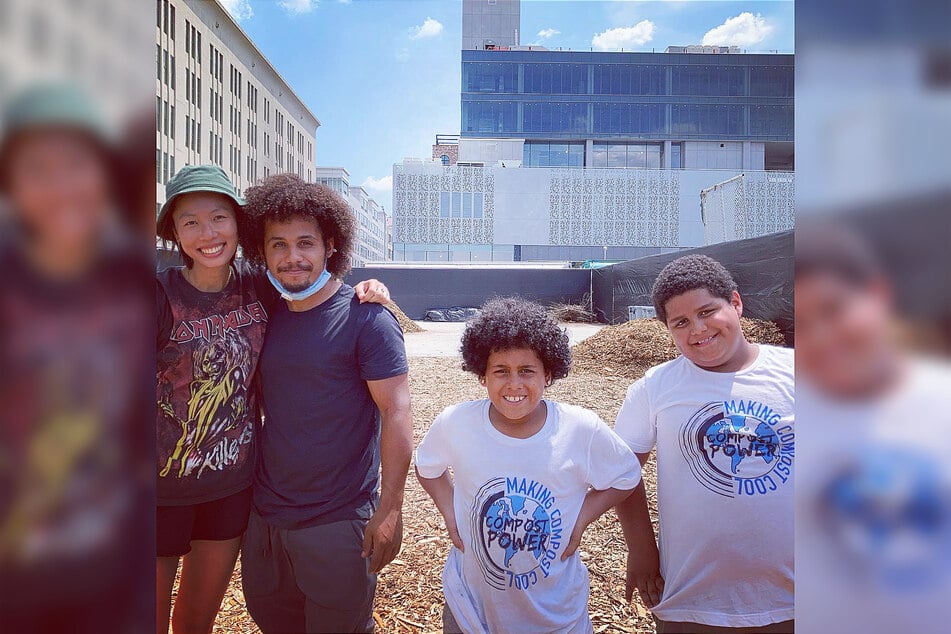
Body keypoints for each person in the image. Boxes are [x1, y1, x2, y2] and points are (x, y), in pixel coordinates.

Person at [155, 165, 389, 634]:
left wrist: (372, 288)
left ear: (239, 227)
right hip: (157, 488)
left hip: (232, 486)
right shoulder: (155, 294)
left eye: (219, 217)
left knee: (195, 621)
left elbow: (313, 292)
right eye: (190, 222)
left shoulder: (258, 288)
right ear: (174, 233)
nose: (207, 233)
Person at [0, 83, 153, 632]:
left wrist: (359, 294)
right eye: (38, 169)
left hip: (112, 563)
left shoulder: (131, 276)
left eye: (77, 165)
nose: (63, 187)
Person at [238, 173, 412, 633]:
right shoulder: (263, 309)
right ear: (263, 251)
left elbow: (396, 413)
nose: (292, 257)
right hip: (265, 517)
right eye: (278, 245)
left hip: (337, 522)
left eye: (305, 243)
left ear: (330, 245)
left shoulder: (367, 318)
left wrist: (391, 506)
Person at [415, 297, 642, 634]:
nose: (514, 384)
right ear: (482, 376)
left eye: (527, 371)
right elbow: (427, 467)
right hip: (471, 609)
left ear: (549, 373)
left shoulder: (579, 428)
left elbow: (626, 475)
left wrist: (581, 519)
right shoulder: (457, 423)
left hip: (556, 614)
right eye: (500, 371)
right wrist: (449, 512)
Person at [614, 254, 794, 634]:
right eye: (681, 322)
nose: (698, 329)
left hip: (793, 599)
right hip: (691, 602)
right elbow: (621, 471)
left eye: (707, 311)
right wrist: (642, 551)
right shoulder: (655, 388)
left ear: (736, 303)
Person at [794, 220, 951, 634]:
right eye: (805, 325)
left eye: (834, 310)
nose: (824, 337)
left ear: (878, 295)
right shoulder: (797, 417)